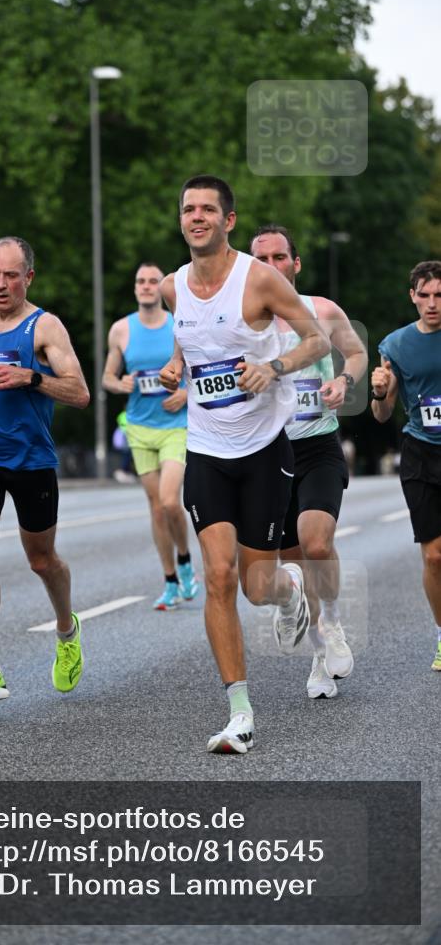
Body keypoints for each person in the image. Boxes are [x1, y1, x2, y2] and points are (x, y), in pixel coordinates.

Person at [159, 175, 330, 754]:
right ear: (181, 220)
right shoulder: (171, 287)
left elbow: (316, 342)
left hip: (263, 451)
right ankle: (239, 712)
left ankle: (291, 589)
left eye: (208, 209)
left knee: (258, 585)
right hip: (206, 449)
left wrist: (275, 368)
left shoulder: (260, 280)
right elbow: (191, 343)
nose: (197, 217)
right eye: (189, 209)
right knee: (218, 577)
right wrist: (174, 367)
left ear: (228, 221)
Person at [0, 236, 90, 701]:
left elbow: (80, 392)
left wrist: (31, 377)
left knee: (41, 559)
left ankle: (66, 630)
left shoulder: (44, 327)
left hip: (33, 461)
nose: (0, 284)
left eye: (10, 275)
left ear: (27, 277)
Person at [251, 225, 367, 699]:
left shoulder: (321, 310)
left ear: (295, 265)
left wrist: (343, 381)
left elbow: (356, 352)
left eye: (281, 257)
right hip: (267, 453)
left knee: (316, 544)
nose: (273, 266)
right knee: (292, 565)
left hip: (318, 446)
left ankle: (334, 623)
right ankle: (320, 655)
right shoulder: (242, 324)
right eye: (263, 260)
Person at [102, 262, 199, 609]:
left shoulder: (179, 323)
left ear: (162, 287)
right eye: (140, 281)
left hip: (176, 426)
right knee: (157, 509)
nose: (146, 286)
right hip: (140, 429)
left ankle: (186, 560)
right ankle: (170, 579)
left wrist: (186, 394)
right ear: (135, 288)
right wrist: (120, 382)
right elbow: (107, 378)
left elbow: (201, 369)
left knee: (172, 501)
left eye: (153, 281)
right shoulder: (121, 330)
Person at [372, 260, 441, 671]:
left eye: (440, 295)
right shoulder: (394, 345)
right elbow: (382, 414)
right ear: (412, 296)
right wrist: (379, 394)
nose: (433, 303)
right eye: (425, 295)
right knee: (434, 557)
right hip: (420, 451)